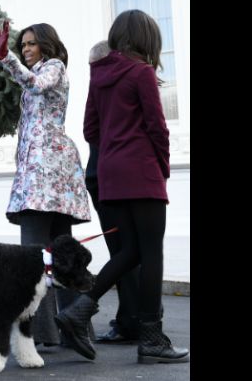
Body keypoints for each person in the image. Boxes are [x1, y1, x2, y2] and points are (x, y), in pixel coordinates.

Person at [55, 9, 189, 363]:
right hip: (141, 172)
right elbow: (157, 128)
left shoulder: (99, 75)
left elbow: (90, 130)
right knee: (151, 255)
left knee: (129, 252)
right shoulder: (142, 72)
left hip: (111, 173)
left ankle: (78, 311)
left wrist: (115, 147)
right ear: (147, 39)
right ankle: (152, 339)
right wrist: (160, 166)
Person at [0, 21, 92, 347]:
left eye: (31, 44)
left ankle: (51, 332)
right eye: (23, 45)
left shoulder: (54, 68)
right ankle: (59, 331)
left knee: (39, 256)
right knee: (53, 254)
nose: (26, 49)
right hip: (43, 174)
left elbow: (35, 85)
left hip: (48, 174)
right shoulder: (43, 72)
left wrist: (7, 58)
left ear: (47, 45)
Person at [86, 40, 155, 344]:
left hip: (106, 177)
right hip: (124, 177)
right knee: (134, 253)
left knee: (125, 253)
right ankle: (136, 320)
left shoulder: (104, 87)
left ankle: (132, 320)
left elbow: (91, 131)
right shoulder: (133, 79)